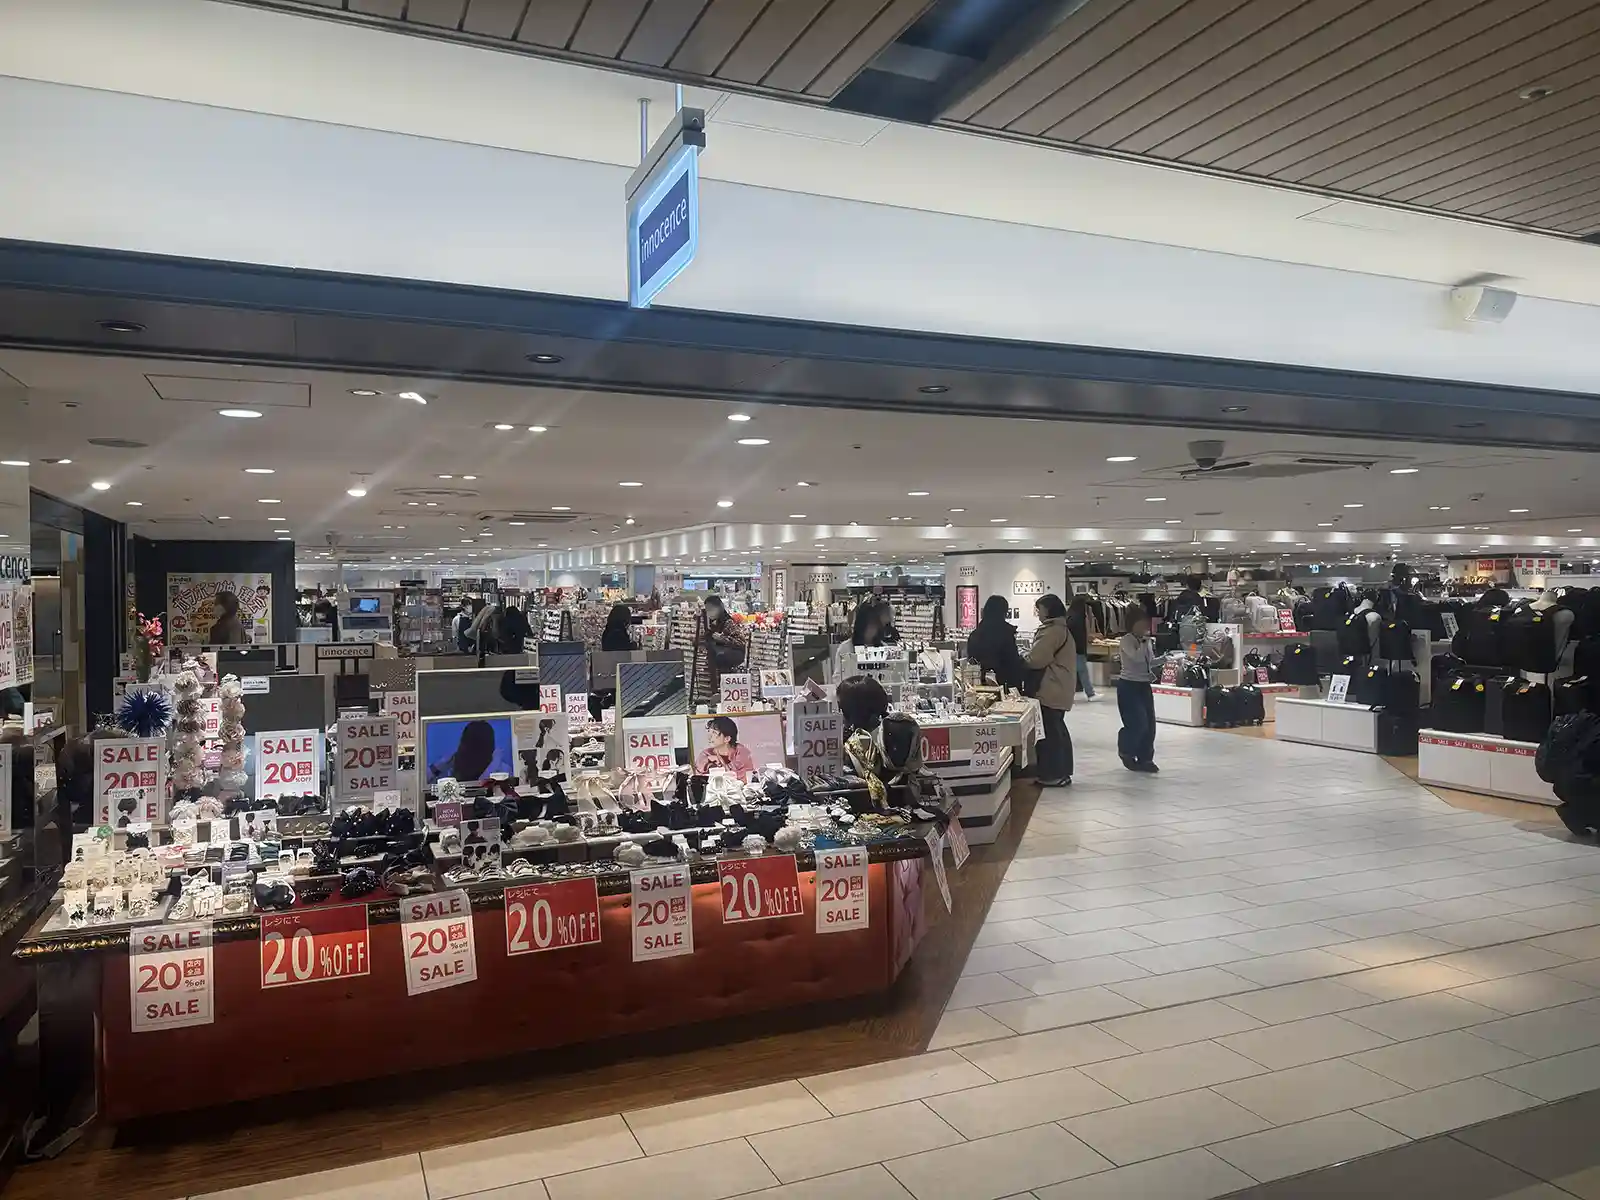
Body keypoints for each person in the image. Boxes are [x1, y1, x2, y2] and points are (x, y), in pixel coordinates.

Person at [1024, 593, 1076, 787]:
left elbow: (1036, 659)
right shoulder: (1061, 629)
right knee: (1057, 729)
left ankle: (1053, 774)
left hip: (1051, 686)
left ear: (1048, 610)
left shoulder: (1052, 631)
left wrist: (1022, 658)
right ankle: (1063, 772)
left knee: (1050, 733)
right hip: (1060, 686)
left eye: (1040, 609)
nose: (1038, 613)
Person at [1116, 610, 1161, 773]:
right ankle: (1126, 751)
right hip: (1129, 685)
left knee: (1150, 723)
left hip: (1144, 685)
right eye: (1141, 623)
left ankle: (1146, 758)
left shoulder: (1146, 641)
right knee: (1137, 722)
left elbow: (1149, 661)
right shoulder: (1126, 640)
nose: (1145, 626)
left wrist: (1166, 658)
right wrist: (1143, 642)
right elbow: (1136, 657)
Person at [965, 595, 1025, 689]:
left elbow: (972, 660)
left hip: (981, 683)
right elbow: (1012, 661)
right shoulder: (1006, 633)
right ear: (1004, 612)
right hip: (1006, 684)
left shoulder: (975, 634)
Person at [701, 594, 745, 682]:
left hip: (734, 653)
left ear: (719, 608)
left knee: (719, 658)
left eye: (711, 609)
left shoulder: (728, 622)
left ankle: (722, 683)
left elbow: (741, 642)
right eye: (707, 610)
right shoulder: (713, 623)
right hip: (720, 653)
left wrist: (723, 639)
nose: (709, 612)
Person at [1067, 594, 1100, 702]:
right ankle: (1090, 694)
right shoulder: (1078, 617)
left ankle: (1089, 693)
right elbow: (1079, 635)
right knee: (1082, 672)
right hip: (1077, 649)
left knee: (1078, 672)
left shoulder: (1070, 615)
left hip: (1073, 649)